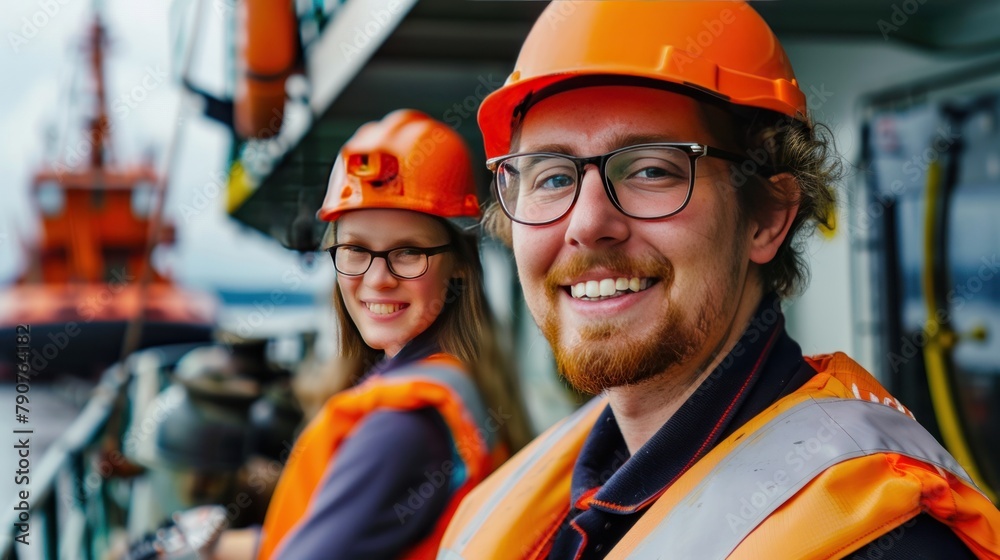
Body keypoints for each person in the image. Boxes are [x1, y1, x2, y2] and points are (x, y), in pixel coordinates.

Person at [440, 2, 1000, 559]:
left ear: (767, 217)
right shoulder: (548, 492)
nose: (588, 224)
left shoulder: (886, 545)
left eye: (651, 170)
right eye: (552, 176)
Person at [130, 109, 530, 560]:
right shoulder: (454, 382)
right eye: (357, 249)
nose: (378, 279)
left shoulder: (401, 429)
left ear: (457, 267)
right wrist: (213, 545)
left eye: (408, 252)